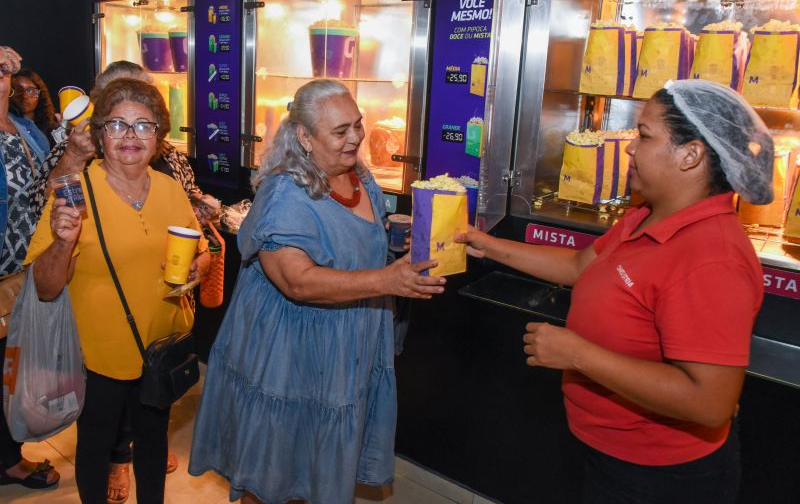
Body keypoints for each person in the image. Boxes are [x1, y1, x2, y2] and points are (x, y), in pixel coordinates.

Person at [457, 79, 774, 504]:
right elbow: (577, 266)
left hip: (661, 476)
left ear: (691, 154)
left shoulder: (712, 258)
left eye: (644, 135)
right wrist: (487, 243)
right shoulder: (648, 214)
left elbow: (708, 401)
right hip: (611, 452)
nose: (629, 147)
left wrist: (577, 355)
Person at [189, 79, 446, 504]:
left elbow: (357, 244)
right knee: (272, 472)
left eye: (358, 125)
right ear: (305, 137)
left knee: (314, 468)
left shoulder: (360, 177)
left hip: (345, 346)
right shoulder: (287, 192)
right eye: (340, 131)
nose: (356, 138)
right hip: (289, 356)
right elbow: (298, 281)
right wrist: (387, 280)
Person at [25, 78, 210, 504]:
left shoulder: (168, 188)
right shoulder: (75, 191)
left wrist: (199, 267)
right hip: (99, 355)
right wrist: (62, 242)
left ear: (159, 137)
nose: (130, 136)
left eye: (143, 126)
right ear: (100, 134)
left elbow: (201, 250)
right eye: (117, 125)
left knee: (152, 443)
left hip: (160, 348)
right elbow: (45, 287)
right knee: (95, 447)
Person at [31, 60, 207, 222]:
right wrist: (74, 157)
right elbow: (40, 210)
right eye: (116, 96)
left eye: (140, 95)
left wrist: (202, 206)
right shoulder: (74, 148)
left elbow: (188, 195)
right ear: (98, 105)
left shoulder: (169, 155)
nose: (128, 102)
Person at [0, 53, 60, 490]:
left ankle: (8, 455)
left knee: (11, 371)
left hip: (22, 275)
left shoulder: (21, 129)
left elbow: (46, 186)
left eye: (2, 72)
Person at [10, 69, 59, 146]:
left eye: (31, 91)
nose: (24, 96)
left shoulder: (53, 130)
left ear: (40, 95)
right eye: (19, 89)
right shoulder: (6, 126)